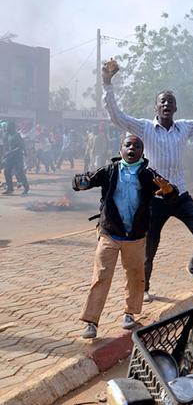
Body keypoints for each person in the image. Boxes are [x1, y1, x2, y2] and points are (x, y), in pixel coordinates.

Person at [101, 59, 193, 298]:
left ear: (175, 108)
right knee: (149, 250)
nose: (166, 105)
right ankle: (145, 289)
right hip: (153, 200)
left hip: (180, 196)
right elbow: (116, 116)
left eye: (170, 102)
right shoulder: (144, 128)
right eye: (162, 102)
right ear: (156, 108)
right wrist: (107, 84)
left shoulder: (185, 128)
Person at [74, 135, 177, 338]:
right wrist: (80, 182)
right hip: (109, 233)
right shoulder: (110, 171)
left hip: (136, 237)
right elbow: (83, 181)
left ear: (142, 152)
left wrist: (169, 190)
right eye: (127, 145)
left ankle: (129, 314)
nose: (132, 148)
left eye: (137, 146)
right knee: (101, 277)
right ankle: (91, 322)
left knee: (134, 277)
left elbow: (170, 193)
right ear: (120, 149)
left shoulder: (149, 175)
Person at [2, 121, 30, 195]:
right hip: (10, 157)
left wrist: (11, 152)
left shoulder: (17, 135)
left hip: (17, 156)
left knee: (20, 172)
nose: (7, 128)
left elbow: (20, 147)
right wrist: (5, 153)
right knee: (6, 171)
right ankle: (10, 188)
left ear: (12, 127)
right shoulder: (7, 135)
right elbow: (6, 146)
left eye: (8, 126)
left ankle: (26, 188)